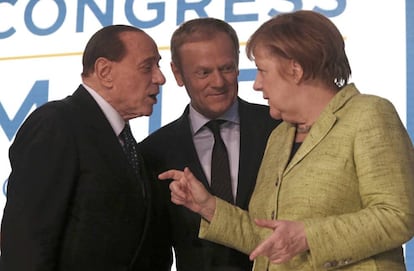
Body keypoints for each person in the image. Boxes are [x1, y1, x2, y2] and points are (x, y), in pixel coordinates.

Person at [159, 10, 414, 271]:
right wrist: (208, 207)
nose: (257, 84)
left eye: (262, 71)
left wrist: (307, 236)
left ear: (295, 69)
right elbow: (269, 240)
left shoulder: (368, 114)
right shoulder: (280, 135)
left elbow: (398, 215)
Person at [0, 25, 172, 270]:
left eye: (158, 66)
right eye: (147, 67)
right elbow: (26, 241)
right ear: (105, 71)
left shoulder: (126, 143)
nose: (160, 78)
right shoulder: (57, 124)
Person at [138, 18, 280, 271]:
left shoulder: (278, 128)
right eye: (204, 72)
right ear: (178, 74)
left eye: (226, 68)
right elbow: (154, 252)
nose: (218, 82)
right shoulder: (153, 152)